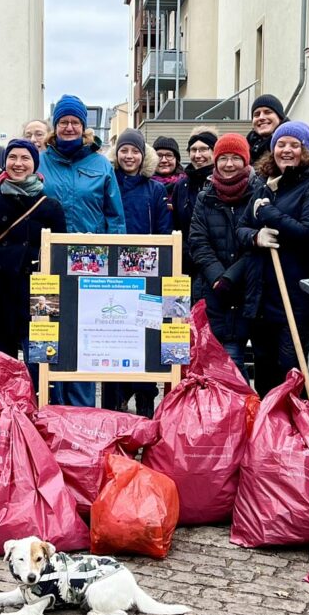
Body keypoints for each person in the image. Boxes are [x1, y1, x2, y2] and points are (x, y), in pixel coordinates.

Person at [40, 94, 126, 407]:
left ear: (84, 127)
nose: (69, 127)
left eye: (75, 122)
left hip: (92, 265)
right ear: (55, 125)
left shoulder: (101, 165)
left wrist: (116, 263)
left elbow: (115, 217)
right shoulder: (39, 161)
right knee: (49, 335)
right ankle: (50, 407)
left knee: (86, 335)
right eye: (63, 121)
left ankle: (81, 410)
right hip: (47, 266)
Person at [237, 120, 309, 397]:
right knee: (265, 374)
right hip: (261, 297)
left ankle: (294, 430)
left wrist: (269, 216)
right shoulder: (265, 186)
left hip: (294, 297)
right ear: (273, 149)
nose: (287, 150)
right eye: (281, 144)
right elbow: (241, 227)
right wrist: (255, 238)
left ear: (306, 151)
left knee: (290, 371)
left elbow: (307, 231)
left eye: (295, 145)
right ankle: (269, 433)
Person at [0, 139, 67, 365]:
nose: (18, 163)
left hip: (41, 294)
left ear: (35, 164)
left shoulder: (51, 206)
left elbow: (59, 258)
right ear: (4, 162)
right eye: (13, 157)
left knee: (42, 364)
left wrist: (59, 299)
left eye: (25, 158)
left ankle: (40, 402)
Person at [104, 128, 171, 417]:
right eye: (124, 151)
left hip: (146, 277)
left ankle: (145, 400)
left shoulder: (155, 189)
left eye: (134, 151)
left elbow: (164, 232)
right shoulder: (107, 182)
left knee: (145, 339)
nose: (129, 156)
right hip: (111, 278)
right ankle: (115, 401)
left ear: (143, 155)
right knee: (113, 336)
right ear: (116, 155)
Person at [188, 132, 255, 377]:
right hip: (215, 291)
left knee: (253, 360)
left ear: (246, 161)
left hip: (251, 289)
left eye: (235, 158)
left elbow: (258, 242)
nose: (228, 164)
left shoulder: (259, 194)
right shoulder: (206, 198)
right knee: (225, 360)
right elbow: (198, 241)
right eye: (223, 158)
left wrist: (233, 276)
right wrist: (218, 276)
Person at [171, 127, 218, 282]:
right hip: (187, 263)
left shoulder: (221, 182)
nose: (198, 155)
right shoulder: (181, 185)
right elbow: (176, 224)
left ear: (214, 151)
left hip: (216, 263)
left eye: (204, 149)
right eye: (193, 150)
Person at [246, 94, 286, 164]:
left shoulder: (292, 143)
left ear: (280, 117)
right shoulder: (249, 143)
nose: (261, 117)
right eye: (257, 114)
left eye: (267, 112)